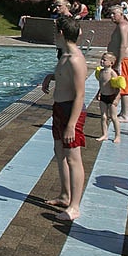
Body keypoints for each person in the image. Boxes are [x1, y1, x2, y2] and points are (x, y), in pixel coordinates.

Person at [41, 16, 87, 222]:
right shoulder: (65, 56)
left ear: (60, 33)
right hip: (60, 108)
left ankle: (74, 207)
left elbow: (80, 95)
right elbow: (64, 77)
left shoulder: (75, 59)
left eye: (55, 30)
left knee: (73, 158)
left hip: (71, 112)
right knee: (59, 153)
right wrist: (51, 77)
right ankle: (65, 195)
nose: (53, 34)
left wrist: (71, 125)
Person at [108, 4, 128, 123]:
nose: (111, 16)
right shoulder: (122, 25)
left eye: (114, 14)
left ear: (121, 14)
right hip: (124, 59)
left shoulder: (123, 26)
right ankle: (121, 112)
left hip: (125, 59)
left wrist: (119, 63)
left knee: (124, 86)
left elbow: (123, 45)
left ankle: (124, 115)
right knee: (121, 85)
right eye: (110, 14)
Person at [93, 51, 121, 143]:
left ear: (111, 63)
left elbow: (118, 88)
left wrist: (117, 99)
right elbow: (102, 85)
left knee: (113, 117)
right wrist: (98, 93)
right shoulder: (101, 72)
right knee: (103, 116)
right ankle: (104, 134)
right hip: (103, 97)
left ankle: (117, 136)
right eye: (101, 59)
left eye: (104, 60)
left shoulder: (112, 73)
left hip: (112, 97)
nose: (102, 61)